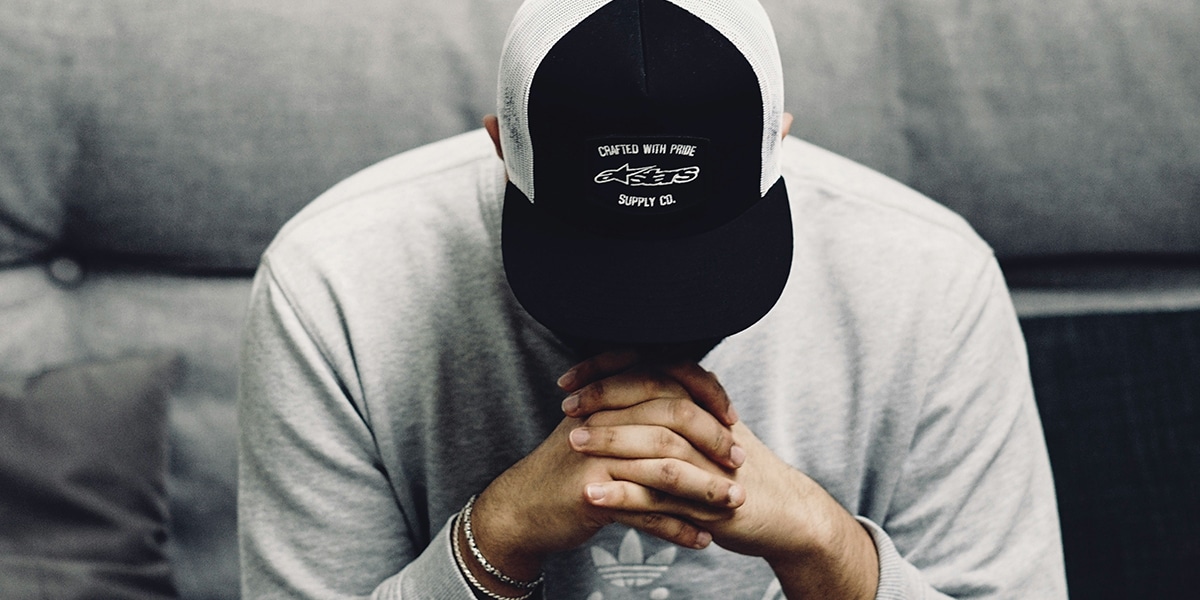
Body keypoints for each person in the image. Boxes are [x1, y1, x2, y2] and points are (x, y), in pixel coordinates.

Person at [237, 0, 1067, 598]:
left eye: (698, 266)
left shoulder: (932, 278)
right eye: (600, 266)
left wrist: (825, 546)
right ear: (501, 147)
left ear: (776, 141)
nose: (650, 329)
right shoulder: (332, 284)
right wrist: (498, 536)